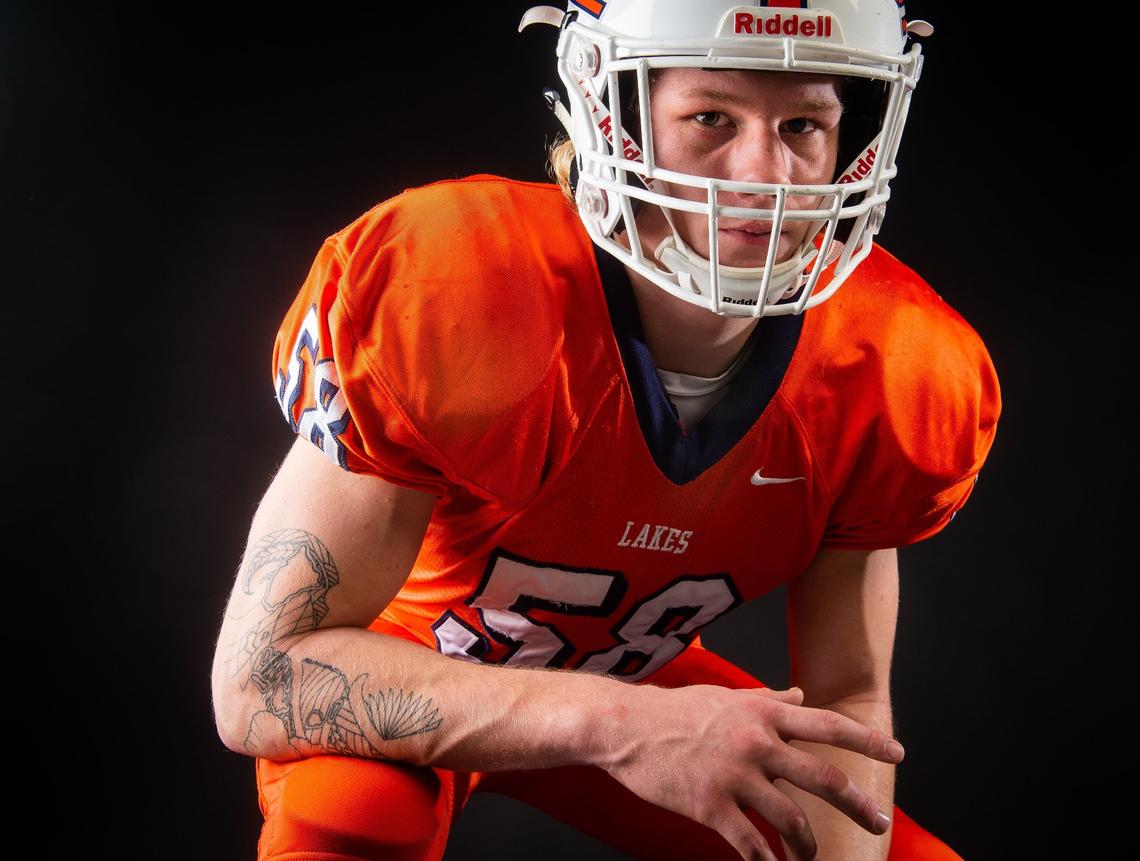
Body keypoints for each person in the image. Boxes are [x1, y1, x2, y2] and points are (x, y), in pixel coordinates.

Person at [211, 2, 1000, 859]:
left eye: (804, 123)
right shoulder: (461, 289)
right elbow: (261, 677)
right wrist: (621, 723)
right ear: (613, 118)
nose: (768, 172)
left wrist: (641, 718)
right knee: (348, 822)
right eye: (710, 117)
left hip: (639, 675)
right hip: (412, 660)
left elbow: (848, 701)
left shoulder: (893, 364)